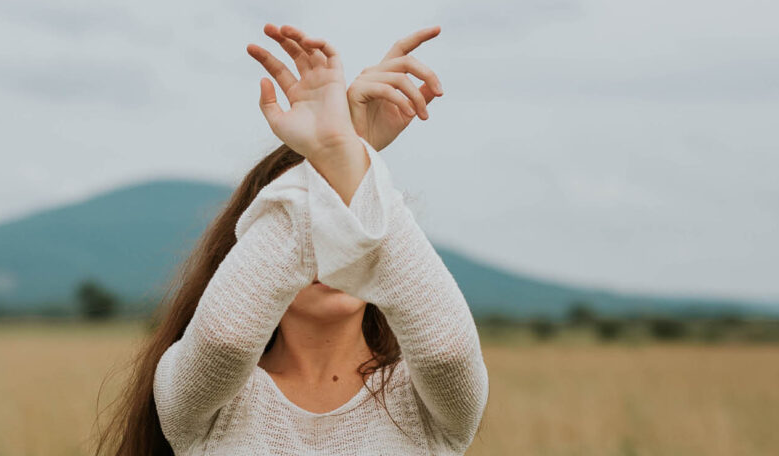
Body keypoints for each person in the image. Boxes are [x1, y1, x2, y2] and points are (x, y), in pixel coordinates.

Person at [98, 24, 487, 455]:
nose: (332, 244)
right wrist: (342, 154)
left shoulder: (423, 401)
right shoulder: (201, 399)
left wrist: (347, 152)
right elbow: (224, 338)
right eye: (312, 224)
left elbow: (449, 351)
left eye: (345, 221)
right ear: (249, 256)